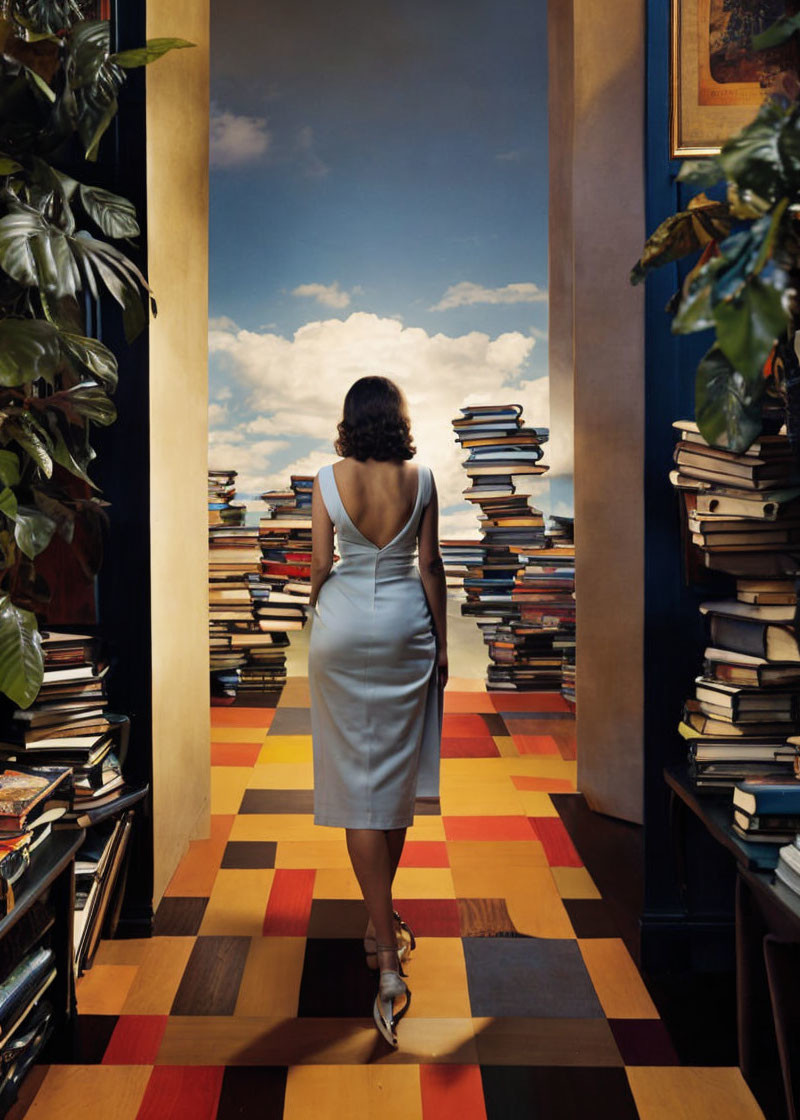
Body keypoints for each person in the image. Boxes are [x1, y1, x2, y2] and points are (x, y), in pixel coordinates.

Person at [308, 375, 447, 1047]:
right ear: (397, 417)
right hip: (404, 629)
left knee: (358, 788)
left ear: (348, 419)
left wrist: (316, 613)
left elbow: (316, 566)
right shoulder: (421, 479)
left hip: (340, 634)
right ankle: (382, 929)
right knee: (392, 783)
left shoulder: (327, 479)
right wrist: (443, 647)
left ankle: (383, 946)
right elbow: (431, 566)